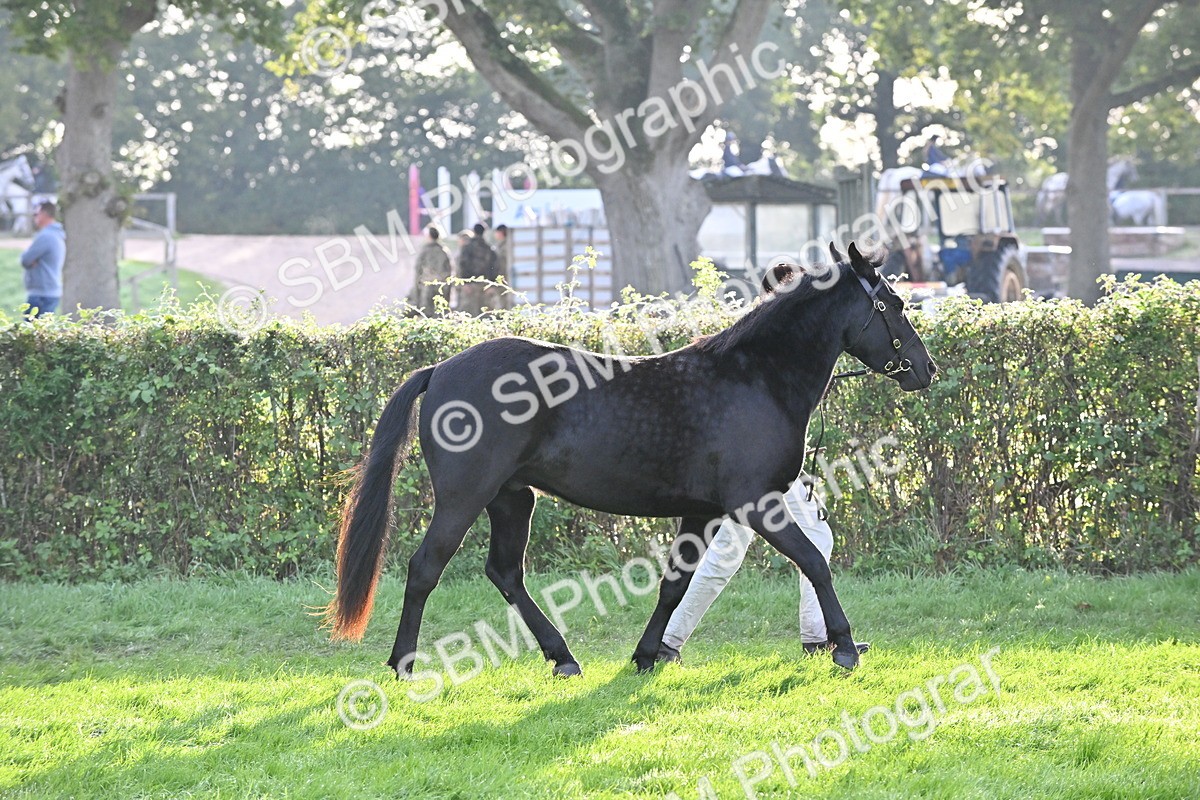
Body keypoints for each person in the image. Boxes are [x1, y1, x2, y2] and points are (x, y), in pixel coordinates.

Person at [659, 474, 870, 662]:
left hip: (775, 468)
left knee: (816, 534)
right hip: (743, 471)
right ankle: (666, 642)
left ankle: (817, 637)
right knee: (723, 559)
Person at [19, 201, 65, 317]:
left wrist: (31, 259)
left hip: (41, 294)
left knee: (31, 332)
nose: (34, 217)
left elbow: (26, 259)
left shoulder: (46, 236)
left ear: (44, 214)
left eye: (36, 213)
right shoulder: (57, 234)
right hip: (50, 292)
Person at [454, 223, 498, 315]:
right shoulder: (489, 249)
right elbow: (494, 268)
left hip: (470, 286)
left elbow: (463, 265)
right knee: (485, 314)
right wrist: (492, 284)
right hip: (485, 285)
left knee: (468, 314)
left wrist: (465, 283)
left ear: (473, 232)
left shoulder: (467, 248)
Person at [408, 225, 452, 313]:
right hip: (442, 287)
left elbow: (418, 269)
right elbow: (449, 270)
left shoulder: (425, 251)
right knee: (440, 313)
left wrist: (417, 287)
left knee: (426, 313)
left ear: (429, 236)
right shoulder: (444, 251)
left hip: (427, 286)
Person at [490, 224, 510, 309]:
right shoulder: (502, 245)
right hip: (503, 278)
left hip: (504, 277)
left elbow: (501, 264)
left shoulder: (505, 246)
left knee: (503, 302)